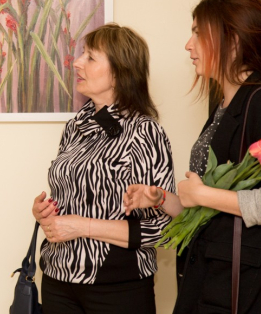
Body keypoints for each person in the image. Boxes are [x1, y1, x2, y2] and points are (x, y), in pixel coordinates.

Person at [124, 0, 261, 313]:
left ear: (232, 41)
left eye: (198, 33)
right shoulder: (226, 105)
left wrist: (203, 195)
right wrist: (162, 199)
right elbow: (212, 210)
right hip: (211, 280)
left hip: (245, 291)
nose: (188, 44)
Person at [32, 23, 175, 314]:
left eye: (91, 57)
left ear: (120, 73)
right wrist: (44, 213)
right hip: (58, 279)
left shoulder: (145, 132)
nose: (77, 62)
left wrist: (81, 226)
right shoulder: (75, 126)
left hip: (117, 288)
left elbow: (164, 229)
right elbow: (74, 201)